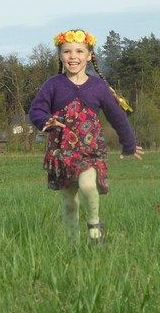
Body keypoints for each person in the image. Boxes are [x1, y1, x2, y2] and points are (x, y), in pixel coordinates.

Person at [29, 29, 144, 244]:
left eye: (79, 51)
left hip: (90, 150)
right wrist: (46, 122)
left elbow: (117, 116)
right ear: (60, 55)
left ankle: (94, 225)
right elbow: (36, 110)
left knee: (88, 184)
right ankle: (73, 244)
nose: (73, 57)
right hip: (61, 151)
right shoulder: (53, 84)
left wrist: (129, 144)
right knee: (70, 202)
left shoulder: (99, 87)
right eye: (67, 52)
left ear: (89, 55)